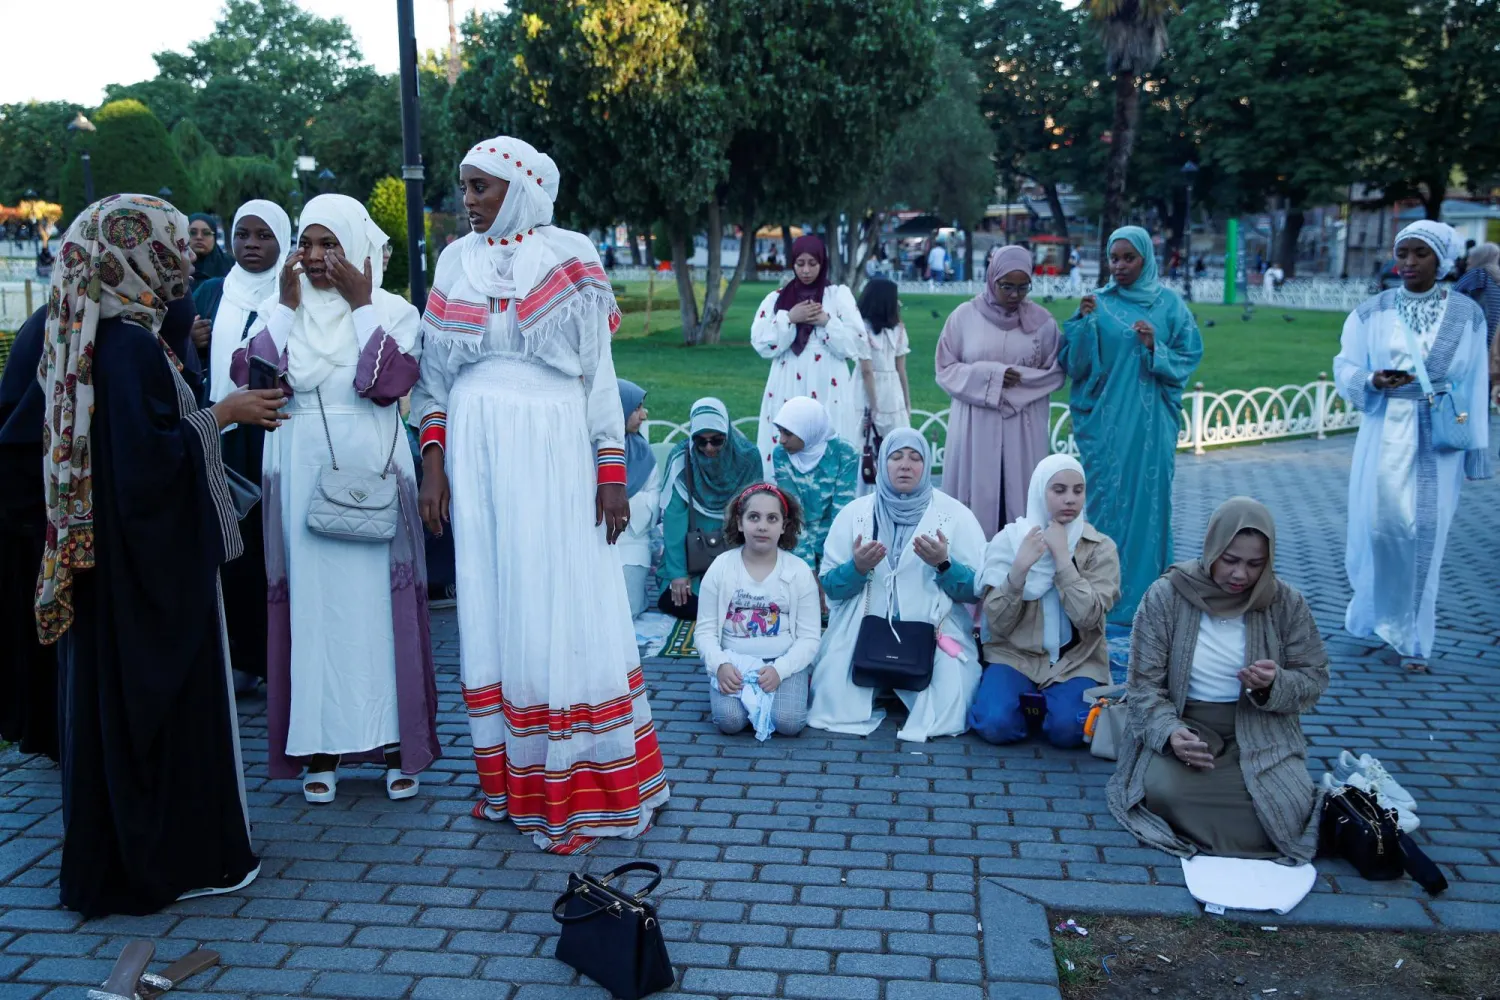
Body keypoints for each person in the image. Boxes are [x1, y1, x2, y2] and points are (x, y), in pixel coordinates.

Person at [411, 136, 667, 853]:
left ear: (519, 189)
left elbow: (597, 375)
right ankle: (510, 783)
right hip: (475, 448)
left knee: (557, 600)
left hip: (552, 447)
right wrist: (434, 463)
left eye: (481, 187)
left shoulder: (571, 255)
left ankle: (576, 790)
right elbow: (432, 379)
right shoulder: (455, 262)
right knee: (493, 604)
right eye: (463, 186)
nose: (468, 200)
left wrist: (611, 474)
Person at [41, 194, 286, 916]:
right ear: (134, 254)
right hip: (144, 578)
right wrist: (226, 413)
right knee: (162, 712)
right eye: (171, 244)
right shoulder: (130, 349)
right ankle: (176, 859)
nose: (186, 256)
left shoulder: (104, 337)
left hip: (117, 572)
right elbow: (147, 466)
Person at [232, 193, 440, 804]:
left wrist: (361, 305)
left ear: (358, 248)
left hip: (373, 470)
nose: (317, 257)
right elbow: (254, 379)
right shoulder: (283, 310)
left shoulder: (394, 310)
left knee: (379, 612)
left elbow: (386, 384)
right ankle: (318, 750)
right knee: (313, 613)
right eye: (309, 244)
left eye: (331, 245)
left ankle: (397, 748)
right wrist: (287, 312)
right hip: (300, 472)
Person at [1107, 498, 1329, 861]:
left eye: (1255, 564)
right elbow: (1143, 686)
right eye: (1230, 560)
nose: (1240, 575)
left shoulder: (1285, 602)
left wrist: (1275, 685)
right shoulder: (1167, 596)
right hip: (1187, 726)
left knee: (1286, 807)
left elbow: (1314, 678)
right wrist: (1170, 733)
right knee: (1167, 792)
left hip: (1259, 733)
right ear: (1212, 549)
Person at [1333, 220, 1491, 674]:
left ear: (1440, 260)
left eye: (1420, 254)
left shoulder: (1466, 314)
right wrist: (1371, 380)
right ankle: (1369, 619)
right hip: (1382, 433)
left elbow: (1476, 382)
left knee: (1425, 535)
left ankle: (1415, 639)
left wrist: (1477, 453)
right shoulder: (1373, 312)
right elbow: (1345, 365)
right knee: (1376, 530)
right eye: (1403, 253)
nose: (1408, 263)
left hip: (1437, 442)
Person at [1060, 226, 1203, 625]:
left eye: (1129, 258)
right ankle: (1102, 594)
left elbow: (1189, 356)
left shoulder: (1169, 306)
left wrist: (1156, 346)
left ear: (1146, 259)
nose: (1120, 267)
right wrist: (1083, 325)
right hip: (1107, 427)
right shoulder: (1099, 303)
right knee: (1106, 504)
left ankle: (1147, 596)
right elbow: (1076, 366)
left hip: (1151, 426)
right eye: (1114, 258)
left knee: (1148, 504)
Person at [808, 429, 985, 742]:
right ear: (881, 464)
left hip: (933, 630)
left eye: (915, 457)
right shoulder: (856, 513)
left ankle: (901, 687)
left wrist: (944, 564)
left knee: (951, 703)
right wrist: (858, 568)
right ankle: (881, 685)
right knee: (831, 697)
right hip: (862, 628)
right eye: (896, 457)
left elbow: (974, 590)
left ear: (927, 465)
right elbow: (831, 588)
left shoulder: (954, 515)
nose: (906, 465)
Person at [191, 199, 291, 686]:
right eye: (243, 234)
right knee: (236, 548)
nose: (251, 245)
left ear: (282, 240)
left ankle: (282, 657)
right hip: (226, 439)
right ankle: (243, 660)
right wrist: (194, 341)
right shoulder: (211, 292)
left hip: (277, 435)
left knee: (280, 545)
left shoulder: (295, 293)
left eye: (263, 235)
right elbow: (189, 366)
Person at [969, 455, 1120, 747]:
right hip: (1015, 656)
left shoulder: (1100, 548)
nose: (1070, 499)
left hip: (1077, 661)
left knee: (1069, 730)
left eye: (1078, 490)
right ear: (1040, 491)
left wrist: (1063, 560)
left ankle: (1046, 708)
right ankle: (1033, 706)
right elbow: (997, 625)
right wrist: (1019, 570)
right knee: (994, 723)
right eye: (1059, 490)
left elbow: (1088, 618)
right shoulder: (1009, 541)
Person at [938, 244, 1065, 539]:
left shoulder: (1043, 323)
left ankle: (1022, 570)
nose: (1014, 295)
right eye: (1006, 286)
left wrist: (1015, 384)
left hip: (1023, 424)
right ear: (991, 278)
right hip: (976, 426)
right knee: (976, 495)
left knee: (1018, 496)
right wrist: (990, 377)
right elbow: (945, 368)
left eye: (1023, 287)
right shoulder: (963, 317)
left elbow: (1055, 372)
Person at [696, 484, 821, 738]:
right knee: (729, 722)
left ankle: (794, 688)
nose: (762, 526)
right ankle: (740, 697)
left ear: (784, 525)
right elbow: (705, 631)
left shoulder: (798, 571)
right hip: (734, 663)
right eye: (754, 517)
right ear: (740, 523)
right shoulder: (721, 567)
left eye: (772, 518)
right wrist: (720, 664)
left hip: (783, 662)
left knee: (788, 723)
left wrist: (781, 669)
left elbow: (810, 637)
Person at [751, 234, 867, 475]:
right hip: (787, 382)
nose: (805, 270)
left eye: (812, 264)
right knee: (788, 439)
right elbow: (761, 343)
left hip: (828, 383)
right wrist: (789, 318)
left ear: (822, 263)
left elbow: (856, 344)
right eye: (800, 263)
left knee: (828, 443)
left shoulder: (837, 296)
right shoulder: (777, 299)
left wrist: (826, 322)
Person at [0, 307, 56, 760]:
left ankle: (41, 729)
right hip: (33, 487)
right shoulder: (76, 319)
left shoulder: (53, 313)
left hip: (25, 483)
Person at [658, 398, 763, 620]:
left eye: (717, 440)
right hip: (691, 561)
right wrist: (678, 574)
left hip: (734, 555)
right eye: (701, 441)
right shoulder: (681, 459)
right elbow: (673, 520)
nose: (709, 448)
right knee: (687, 605)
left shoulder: (748, 458)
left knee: (744, 604)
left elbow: (755, 514)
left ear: (728, 432)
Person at [770, 396, 859, 574]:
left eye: (788, 433)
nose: (781, 440)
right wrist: (808, 570)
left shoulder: (845, 453)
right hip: (796, 543)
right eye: (780, 432)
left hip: (835, 545)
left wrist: (829, 566)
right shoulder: (781, 454)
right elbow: (793, 510)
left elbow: (840, 512)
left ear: (808, 430)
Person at [617, 378, 659, 618]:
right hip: (593, 539)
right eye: (636, 408)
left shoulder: (642, 451)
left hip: (632, 537)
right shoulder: (585, 449)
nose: (643, 415)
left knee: (625, 611)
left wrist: (618, 506)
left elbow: (654, 496)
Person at [855, 277, 912, 438]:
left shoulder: (861, 330)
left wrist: (874, 406)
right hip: (892, 391)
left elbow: (867, 371)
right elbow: (901, 370)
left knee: (864, 441)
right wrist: (907, 403)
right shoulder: (898, 330)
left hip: (867, 390)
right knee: (893, 439)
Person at [188, 213, 233, 286]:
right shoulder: (174, 266)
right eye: (193, 233)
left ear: (214, 238)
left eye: (206, 233)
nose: (199, 237)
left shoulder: (230, 265)